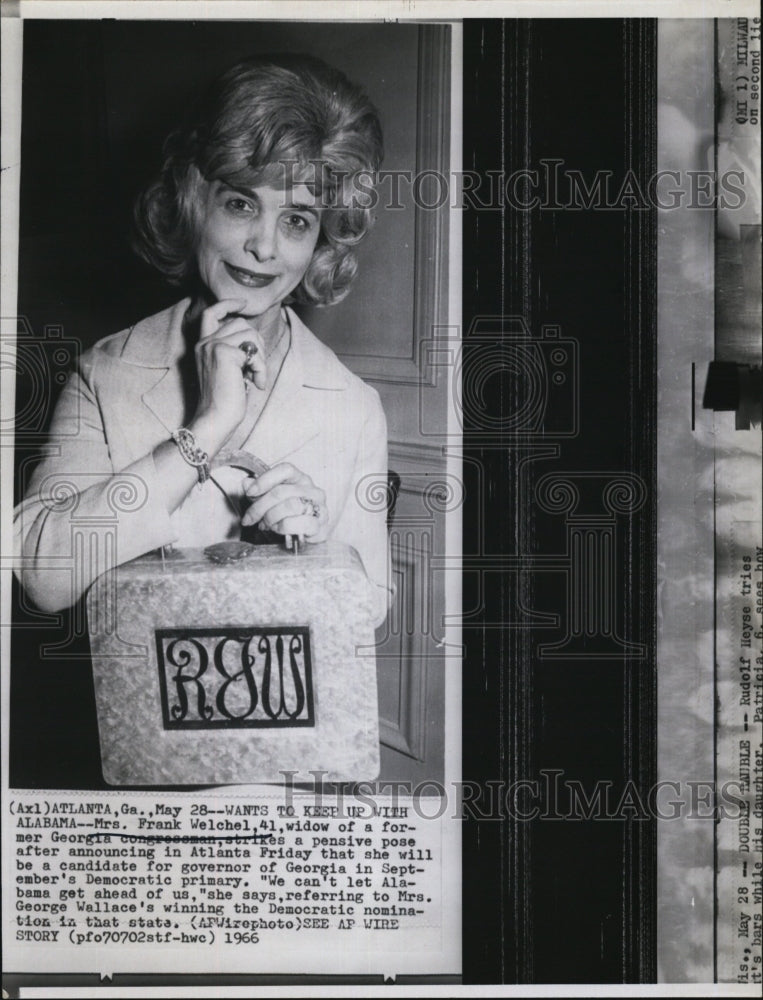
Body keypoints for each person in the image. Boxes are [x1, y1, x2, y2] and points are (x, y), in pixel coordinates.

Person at [14, 54, 392, 626]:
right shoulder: (105, 373)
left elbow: (369, 615)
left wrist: (308, 556)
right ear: (194, 201)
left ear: (321, 241)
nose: (264, 247)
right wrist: (206, 428)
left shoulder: (355, 405)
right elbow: (43, 577)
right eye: (241, 203)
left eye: (297, 220)